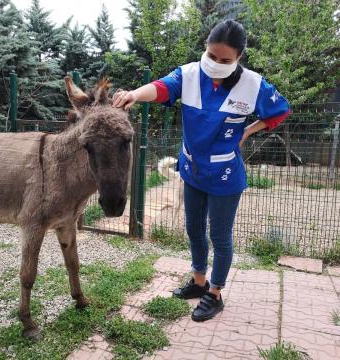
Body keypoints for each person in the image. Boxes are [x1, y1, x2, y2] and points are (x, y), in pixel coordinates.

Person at [112, 20, 290, 322]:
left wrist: (248, 130)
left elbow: (280, 111)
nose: (217, 64)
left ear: (239, 58)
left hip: (225, 175)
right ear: (205, 50)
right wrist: (133, 94)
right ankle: (198, 282)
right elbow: (161, 87)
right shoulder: (190, 74)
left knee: (219, 236)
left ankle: (215, 293)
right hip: (192, 169)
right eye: (212, 56)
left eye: (226, 60)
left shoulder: (253, 84)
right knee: (193, 228)